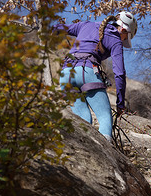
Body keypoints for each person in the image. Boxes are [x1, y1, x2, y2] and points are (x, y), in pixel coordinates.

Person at [54, 11, 137, 141]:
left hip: (66, 74)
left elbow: (59, 28)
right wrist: (120, 104)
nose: (124, 40)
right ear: (123, 30)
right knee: (105, 117)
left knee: (83, 120)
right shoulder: (115, 40)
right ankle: (106, 153)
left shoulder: (86, 25)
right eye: (126, 37)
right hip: (87, 72)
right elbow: (119, 73)